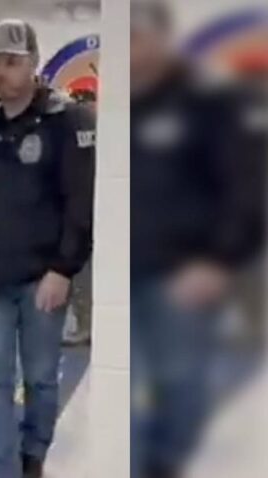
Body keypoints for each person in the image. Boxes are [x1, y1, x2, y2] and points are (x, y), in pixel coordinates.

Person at [0, 19, 96, 478]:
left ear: (33, 63)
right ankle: (0, 469)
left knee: (40, 378)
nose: (0, 71)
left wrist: (64, 268)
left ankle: (34, 455)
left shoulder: (67, 120)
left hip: (42, 277)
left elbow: (81, 202)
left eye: (11, 62)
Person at [130, 3, 265, 477]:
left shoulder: (209, 101)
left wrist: (217, 261)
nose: (128, 50)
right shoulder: (122, 106)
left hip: (182, 276)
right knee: (129, 386)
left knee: (181, 382)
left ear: (161, 39)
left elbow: (245, 189)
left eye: (135, 37)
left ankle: (167, 462)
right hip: (126, 270)